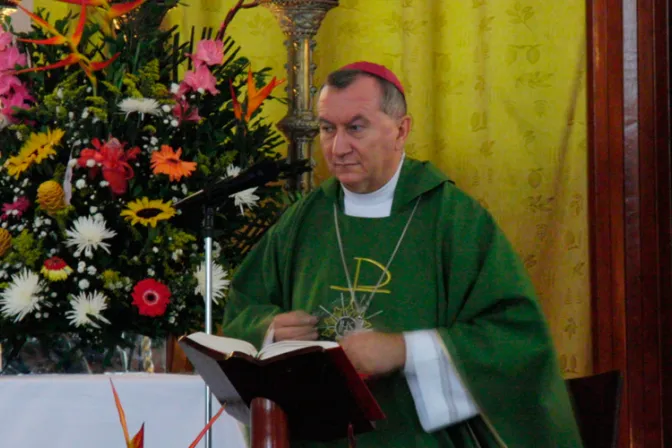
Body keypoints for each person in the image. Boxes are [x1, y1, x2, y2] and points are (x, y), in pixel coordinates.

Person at [221, 61, 583, 447]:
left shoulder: (452, 219)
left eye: (355, 128)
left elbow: (515, 338)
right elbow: (243, 307)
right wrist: (271, 329)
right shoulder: (304, 219)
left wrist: (406, 351)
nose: (337, 148)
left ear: (401, 130)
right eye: (328, 129)